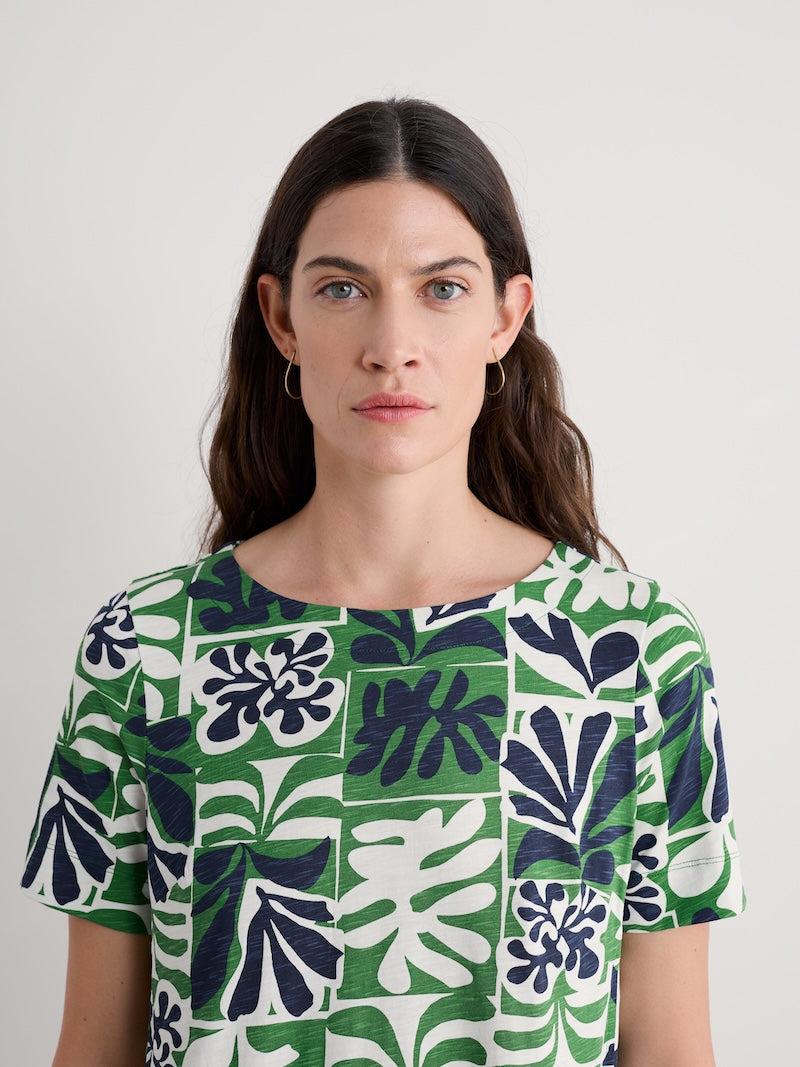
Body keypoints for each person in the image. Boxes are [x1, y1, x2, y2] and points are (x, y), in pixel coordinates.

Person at [21, 98, 744, 1067]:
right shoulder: (148, 644)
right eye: (342, 289)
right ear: (280, 318)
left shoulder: (632, 648)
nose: (389, 343)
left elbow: (671, 1047)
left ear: (505, 315)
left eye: (441, 288)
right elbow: (91, 1049)